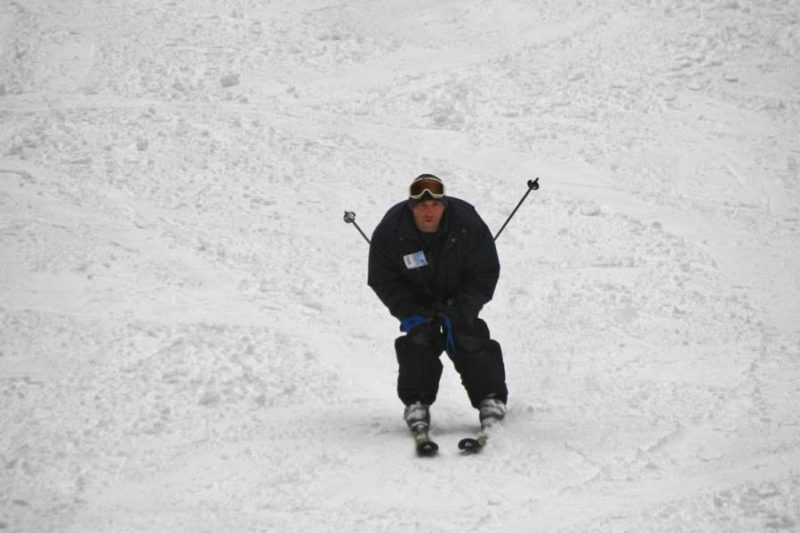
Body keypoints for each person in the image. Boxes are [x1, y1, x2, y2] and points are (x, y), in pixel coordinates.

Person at [368, 174, 508, 434]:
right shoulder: (390, 232)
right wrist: (410, 312)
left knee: (467, 335)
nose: (428, 211)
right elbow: (384, 279)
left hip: (459, 295)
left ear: (445, 205)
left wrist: (464, 307)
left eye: (435, 205)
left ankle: (491, 398)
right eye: (421, 206)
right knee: (419, 340)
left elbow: (485, 272)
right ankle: (416, 403)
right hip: (417, 299)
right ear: (411, 208)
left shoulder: (468, 225)